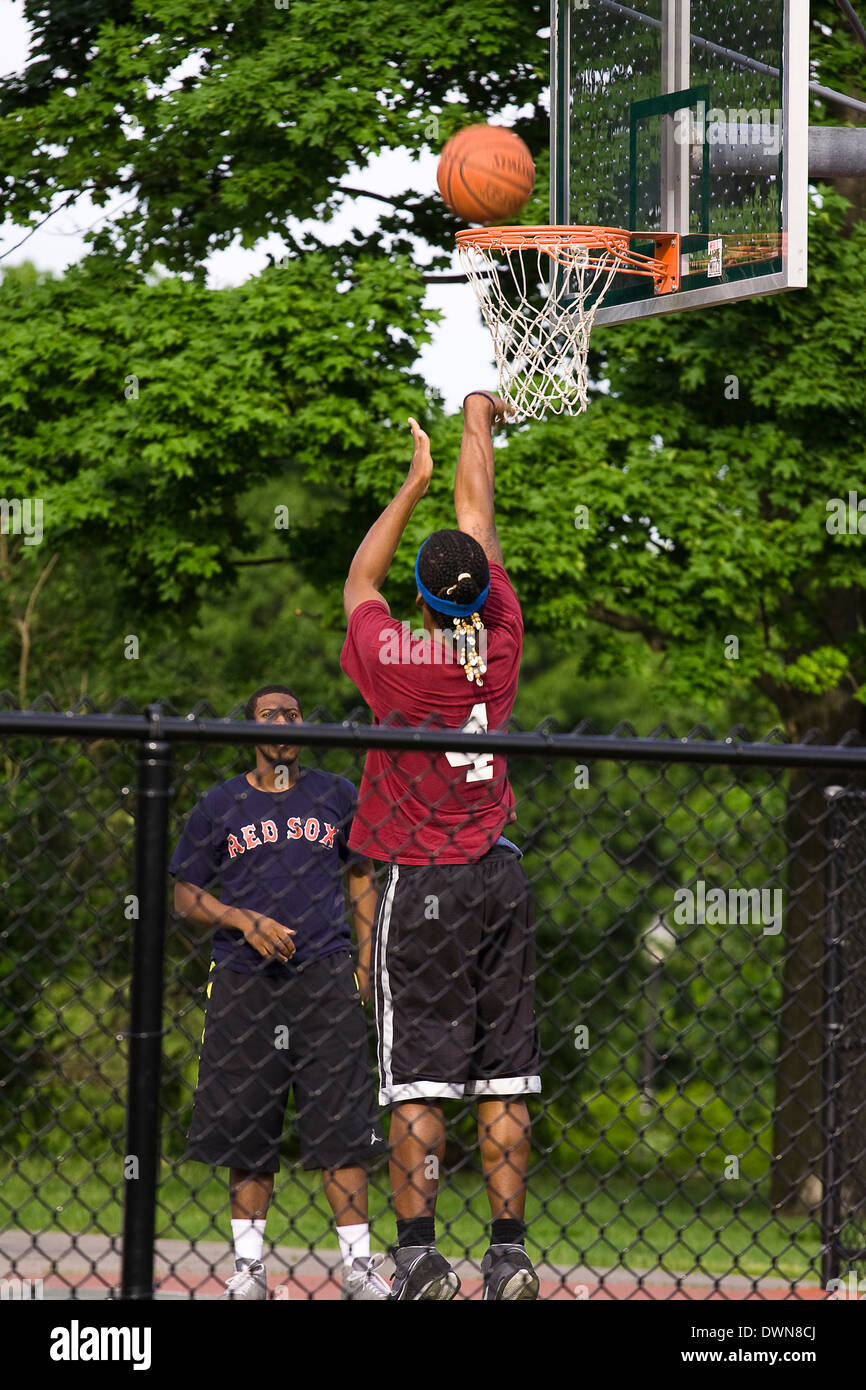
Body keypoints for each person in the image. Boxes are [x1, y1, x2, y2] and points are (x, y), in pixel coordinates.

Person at [340, 390, 541, 1301]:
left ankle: (420, 1255)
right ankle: (508, 1255)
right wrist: (476, 419)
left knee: (417, 1080)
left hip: (421, 883)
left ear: (422, 597)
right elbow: (481, 522)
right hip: (499, 873)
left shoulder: (391, 658)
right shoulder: (497, 647)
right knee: (505, 1076)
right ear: (476, 591)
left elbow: (359, 584)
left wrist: (412, 482)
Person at [170, 683, 390, 1301]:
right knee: (246, 1122)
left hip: (324, 971)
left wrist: (366, 960)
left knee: (342, 1122)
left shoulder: (335, 794)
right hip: (244, 978)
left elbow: (362, 876)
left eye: (293, 713)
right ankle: (249, 1270)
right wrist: (245, 921)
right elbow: (185, 896)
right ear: (251, 730)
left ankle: (357, 1267)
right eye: (269, 714)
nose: (283, 722)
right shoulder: (221, 804)